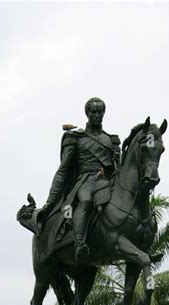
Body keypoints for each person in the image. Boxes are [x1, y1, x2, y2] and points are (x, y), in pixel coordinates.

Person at [36, 97, 120, 261]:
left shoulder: (112, 140)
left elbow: (119, 169)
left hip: (107, 180)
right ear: (87, 113)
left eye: (100, 112)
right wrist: (50, 201)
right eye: (94, 112)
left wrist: (114, 164)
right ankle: (79, 243)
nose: (97, 115)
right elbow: (63, 170)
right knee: (86, 200)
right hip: (85, 180)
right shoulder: (75, 137)